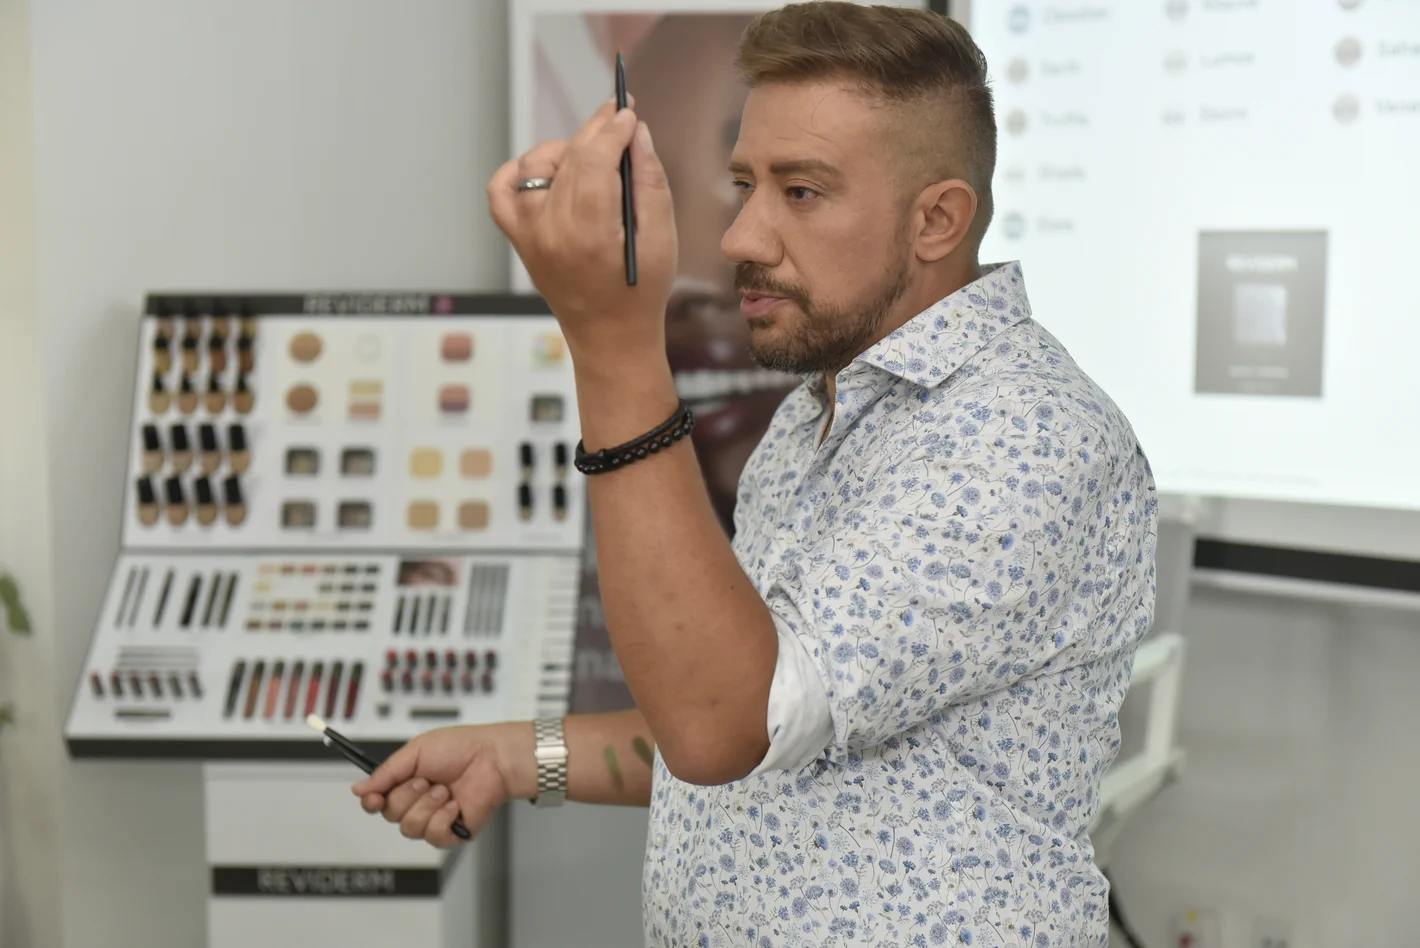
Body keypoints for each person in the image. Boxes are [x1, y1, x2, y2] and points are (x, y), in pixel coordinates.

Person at [352, 4, 1159, 946]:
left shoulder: (1023, 436)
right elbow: (746, 703)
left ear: (936, 219)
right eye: (745, 184)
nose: (741, 236)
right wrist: (517, 755)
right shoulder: (816, 413)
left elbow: (728, 722)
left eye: (801, 192)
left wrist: (613, 346)